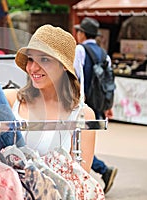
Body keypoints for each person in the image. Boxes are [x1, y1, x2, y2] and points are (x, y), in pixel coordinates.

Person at [4, 24, 96, 173]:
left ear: (64, 66)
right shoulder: (10, 100)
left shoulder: (83, 115)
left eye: (44, 60)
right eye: (30, 59)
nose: (33, 68)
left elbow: (80, 181)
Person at [73, 17, 118, 194]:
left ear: (82, 33)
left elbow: (75, 76)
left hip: (83, 105)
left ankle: (101, 170)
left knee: (77, 144)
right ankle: (102, 171)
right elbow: (109, 82)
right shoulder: (103, 53)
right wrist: (108, 105)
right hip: (98, 106)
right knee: (84, 143)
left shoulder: (80, 50)